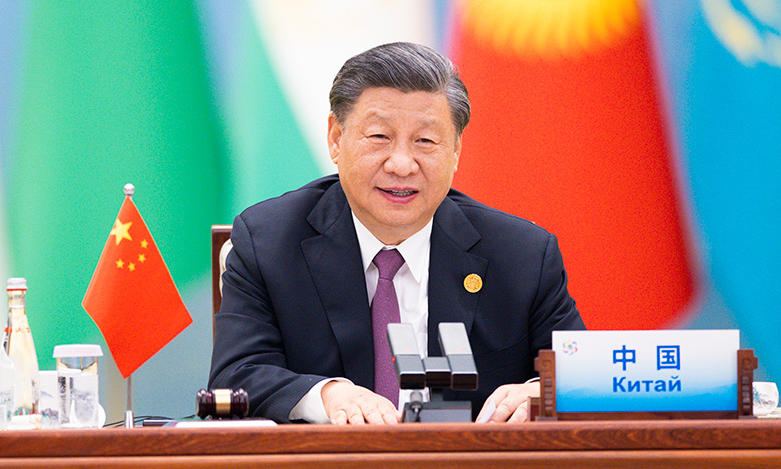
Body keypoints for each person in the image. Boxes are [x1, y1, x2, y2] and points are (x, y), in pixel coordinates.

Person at [209, 42, 585, 424]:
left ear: (456, 150)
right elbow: (236, 377)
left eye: (425, 141)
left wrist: (542, 393)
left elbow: (585, 376)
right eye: (379, 137)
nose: (402, 164)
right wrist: (327, 395)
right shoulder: (269, 243)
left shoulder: (522, 255)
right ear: (336, 138)